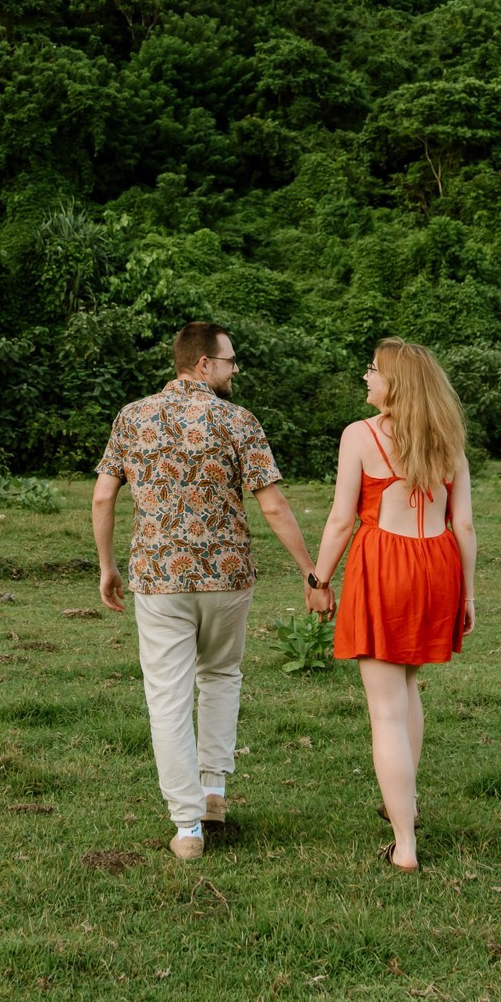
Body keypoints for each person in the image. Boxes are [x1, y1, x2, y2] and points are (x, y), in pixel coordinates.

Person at [93, 321, 318, 860]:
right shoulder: (238, 421)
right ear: (203, 364)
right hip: (227, 576)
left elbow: (103, 498)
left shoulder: (133, 417)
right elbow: (272, 504)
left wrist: (106, 566)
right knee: (220, 675)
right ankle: (214, 791)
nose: (234, 368)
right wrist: (311, 571)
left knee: (166, 696)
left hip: (158, 577)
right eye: (229, 360)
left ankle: (187, 827)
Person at [305, 339, 477, 872]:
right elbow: (464, 524)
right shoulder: (447, 440)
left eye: (374, 371)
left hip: (384, 564)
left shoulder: (359, 435)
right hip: (438, 565)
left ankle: (404, 843)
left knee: (385, 710)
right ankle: (405, 802)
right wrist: (467, 593)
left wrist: (318, 578)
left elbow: (340, 520)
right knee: (405, 687)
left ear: (396, 382)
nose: (366, 378)